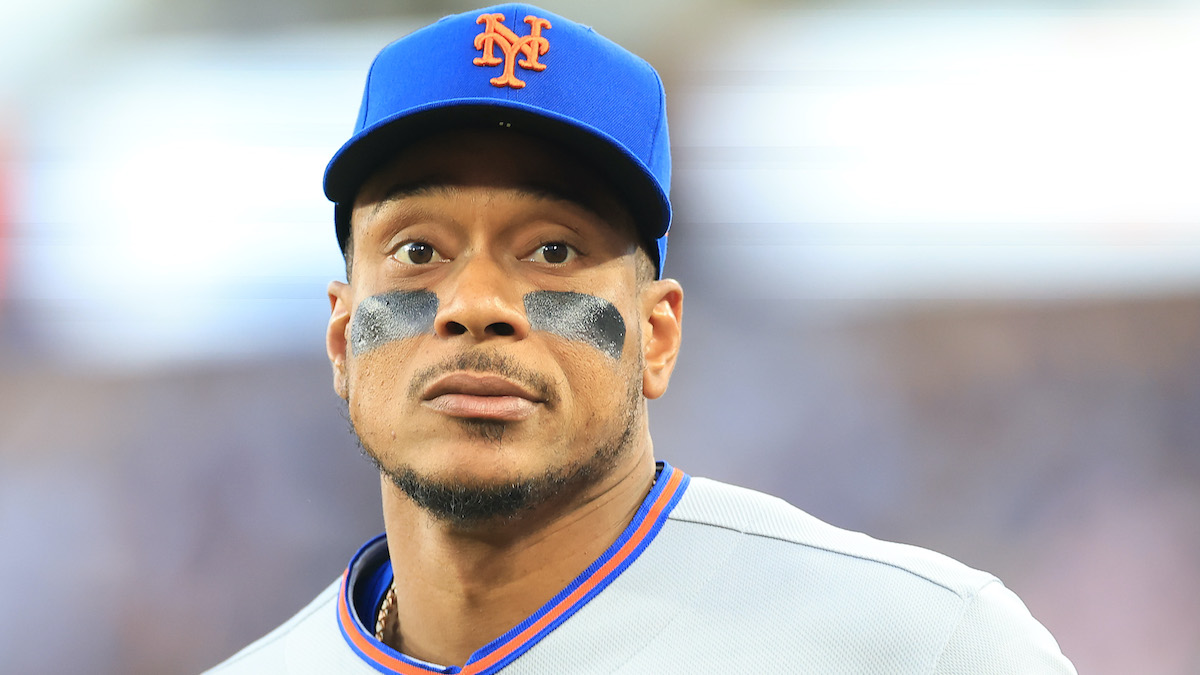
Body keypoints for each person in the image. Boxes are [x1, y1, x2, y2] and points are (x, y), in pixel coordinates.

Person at [207, 4, 1077, 673]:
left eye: (553, 250)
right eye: (417, 250)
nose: (474, 304)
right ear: (341, 338)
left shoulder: (925, 646)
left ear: (657, 336)